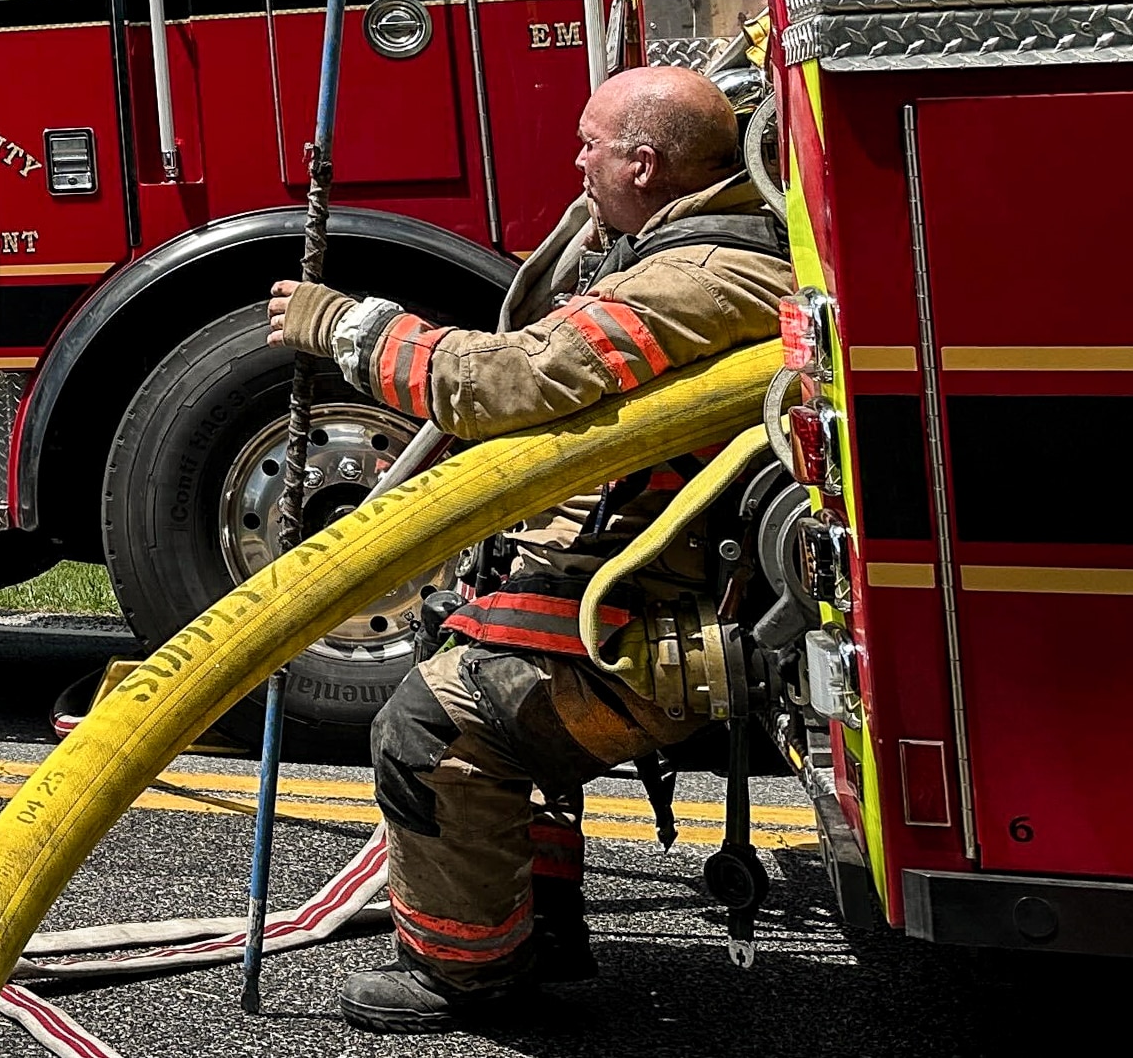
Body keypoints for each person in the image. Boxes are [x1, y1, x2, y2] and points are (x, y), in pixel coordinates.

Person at [269, 64, 789, 1034]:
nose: (574, 159)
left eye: (589, 143)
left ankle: (461, 972)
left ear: (644, 162)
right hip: (625, 591)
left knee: (430, 731)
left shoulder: (700, 276)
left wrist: (345, 326)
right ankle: (538, 927)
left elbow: (510, 378)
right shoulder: (682, 253)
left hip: (635, 618)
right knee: (474, 672)